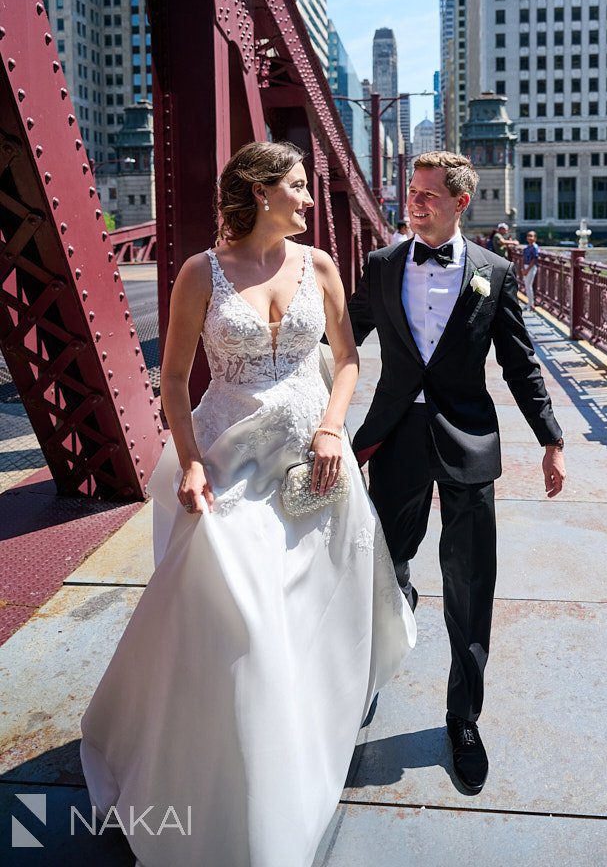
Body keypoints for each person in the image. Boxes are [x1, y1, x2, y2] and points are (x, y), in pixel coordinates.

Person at [79, 141, 415, 867]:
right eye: (296, 186)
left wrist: (333, 428)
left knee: (309, 608)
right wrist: (191, 466)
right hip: (229, 461)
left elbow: (349, 359)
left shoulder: (320, 265)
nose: (308, 198)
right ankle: (236, 793)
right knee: (243, 615)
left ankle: (302, 731)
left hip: (312, 459)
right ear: (261, 192)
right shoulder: (200, 274)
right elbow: (172, 378)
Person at [347, 150, 565, 796]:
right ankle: (385, 631)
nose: (414, 203)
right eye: (411, 193)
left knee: (471, 588)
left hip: (468, 443)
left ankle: (463, 720)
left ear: (460, 203)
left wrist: (552, 438)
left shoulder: (494, 274)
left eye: (428, 196)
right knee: (384, 563)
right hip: (396, 439)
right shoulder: (383, 265)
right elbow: (344, 337)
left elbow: (521, 365)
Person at [521, 229, 540, 310]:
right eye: (528, 236)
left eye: (531, 236)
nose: (529, 237)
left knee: (529, 286)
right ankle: (529, 303)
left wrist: (527, 270)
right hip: (526, 267)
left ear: (535, 238)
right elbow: (524, 258)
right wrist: (523, 268)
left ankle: (531, 304)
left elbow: (534, 259)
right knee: (527, 285)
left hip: (531, 267)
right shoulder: (527, 247)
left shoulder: (535, 247)